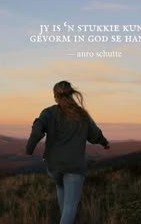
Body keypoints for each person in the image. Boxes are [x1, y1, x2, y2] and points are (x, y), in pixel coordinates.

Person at [26, 80, 110, 224]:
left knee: (60, 187)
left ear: (55, 96)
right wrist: (104, 143)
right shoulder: (82, 115)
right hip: (74, 166)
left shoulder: (48, 113)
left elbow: (37, 129)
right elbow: (95, 134)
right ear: (71, 94)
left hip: (53, 166)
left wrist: (29, 149)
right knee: (70, 207)